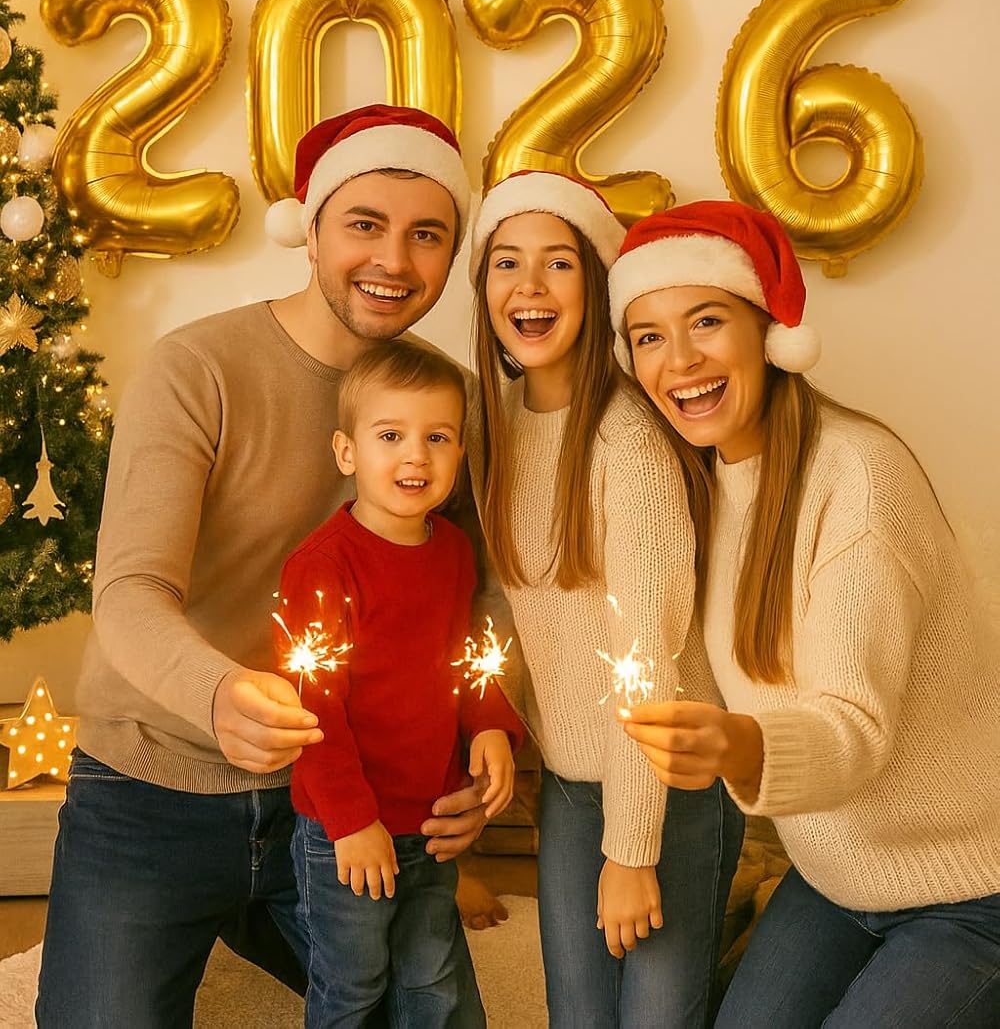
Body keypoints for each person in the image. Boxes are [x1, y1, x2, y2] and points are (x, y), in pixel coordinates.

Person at [37, 105, 508, 1029]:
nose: (394, 262)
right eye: (364, 226)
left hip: (349, 796)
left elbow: (470, 597)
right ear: (312, 230)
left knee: (426, 1011)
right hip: (153, 788)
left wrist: (471, 754)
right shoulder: (197, 369)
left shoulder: (441, 408)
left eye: (427, 237)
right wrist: (216, 693)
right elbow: (131, 589)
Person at [608, 198, 1000, 1028]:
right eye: (649, 336)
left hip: (972, 888)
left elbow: (853, 731)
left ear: (768, 333)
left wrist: (741, 743)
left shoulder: (856, 479)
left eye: (706, 321)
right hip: (831, 882)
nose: (679, 360)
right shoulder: (708, 488)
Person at [468, 171, 744, 1029]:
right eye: (507, 263)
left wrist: (633, 853)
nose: (530, 286)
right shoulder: (496, 424)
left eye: (559, 264)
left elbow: (646, 660)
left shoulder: (628, 440)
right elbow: (501, 606)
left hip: (670, 781)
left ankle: (734, 926)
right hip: (576, 784)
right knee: (578, 1017)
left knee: (655, 1017)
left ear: (595, 284)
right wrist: (491, 717)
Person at [279, 339, 523, 1026]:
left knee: (430, 979)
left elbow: (464, 654)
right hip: (345, 829)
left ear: (459, 455)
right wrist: (352, 822)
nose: (416, 455)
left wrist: (494, 729)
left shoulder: (451, 550)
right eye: (391, 436)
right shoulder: (322, 567)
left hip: (432, 816)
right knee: (352, 984)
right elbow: (312, 708)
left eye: (437, 437)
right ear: (347, 452)